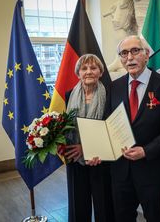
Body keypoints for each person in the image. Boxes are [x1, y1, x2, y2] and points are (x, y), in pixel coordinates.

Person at [105, 35, 160, 222]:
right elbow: (108, 125)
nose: (129, 57)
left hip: (152, 170)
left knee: (155, 217)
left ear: (147, 54)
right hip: (120, 169)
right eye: (124, 53)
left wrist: (146, 151)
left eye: (135, 51)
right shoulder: (113, 87)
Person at [64, 54, 114, 222]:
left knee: (104, 206)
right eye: (84, 68)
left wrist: (87, 148)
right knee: (78, 206)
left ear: (101, 72)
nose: (89, 72)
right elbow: (65, 126)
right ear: (78, 73)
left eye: (93, 68)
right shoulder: (69, 94)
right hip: (74, 158)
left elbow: (112, 129)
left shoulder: (110, 94)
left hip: (101, 160)